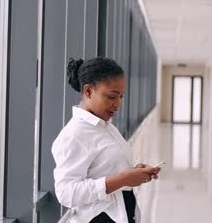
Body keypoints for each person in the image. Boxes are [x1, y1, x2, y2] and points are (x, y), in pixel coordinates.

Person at [52, 57, 161, 223]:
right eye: (112, 96)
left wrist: (133, 172)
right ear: (88, 91)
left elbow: (105, 168)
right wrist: (124, 178)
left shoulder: (105, 126)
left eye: (121, 97)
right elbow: (66, 193)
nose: (117, 104)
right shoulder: (74, 135)